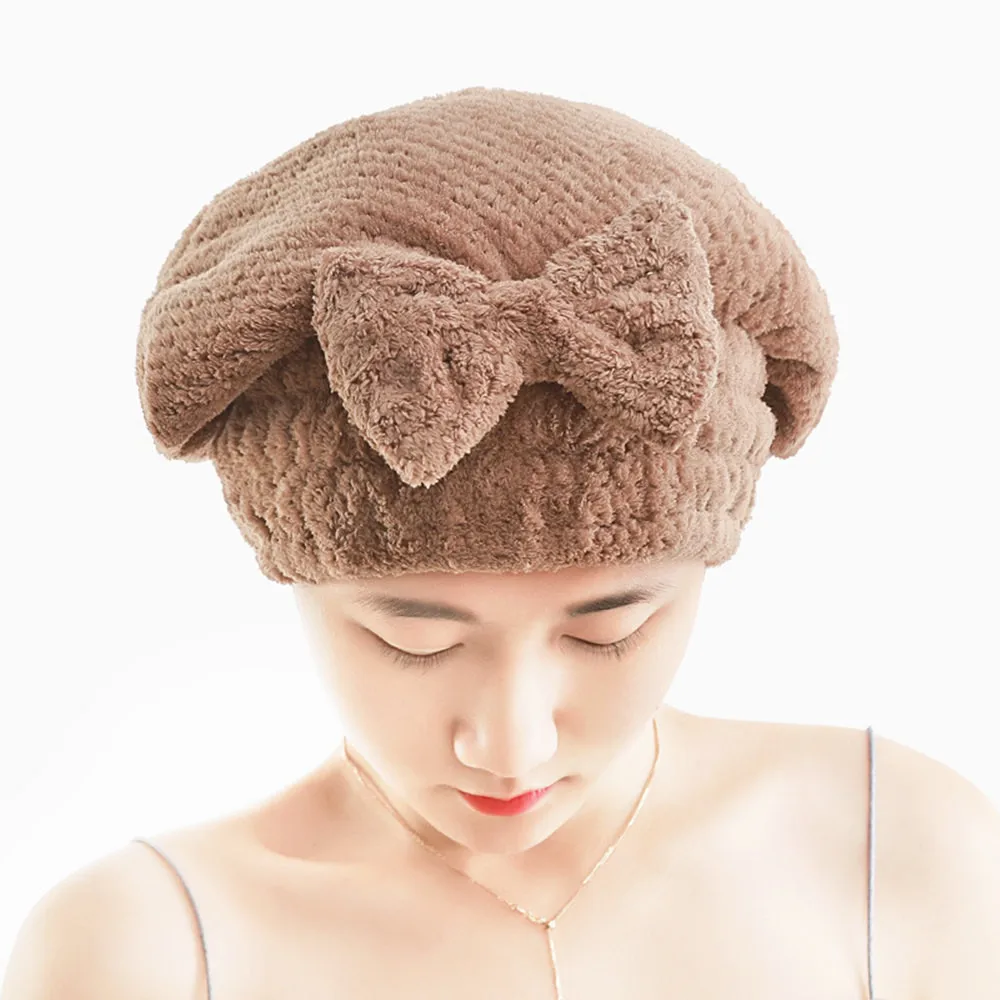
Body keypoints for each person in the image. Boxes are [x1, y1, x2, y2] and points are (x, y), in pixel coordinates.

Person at [3, 86, 998, 1000]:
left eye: (609, 631)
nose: (513, 745)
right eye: (416, 641)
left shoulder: (899, 848)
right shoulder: (148, 952)